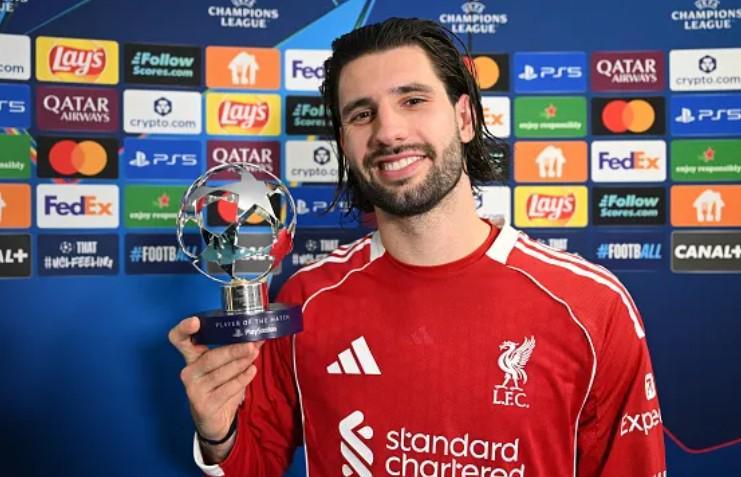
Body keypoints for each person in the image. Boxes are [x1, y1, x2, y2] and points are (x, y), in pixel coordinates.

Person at [169, 17, 666, 477]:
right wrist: (218, 435)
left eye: (412, 100)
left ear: (465, 118)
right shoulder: (305, 300)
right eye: (362, 113)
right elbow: (256, 463)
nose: (388, 131)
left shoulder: (592, 306)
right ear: (344, 143)